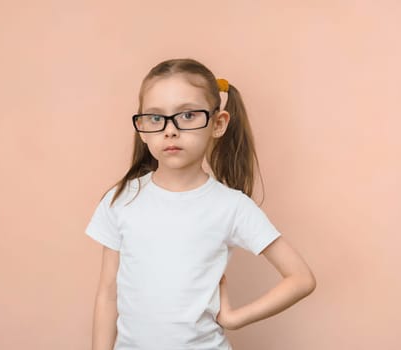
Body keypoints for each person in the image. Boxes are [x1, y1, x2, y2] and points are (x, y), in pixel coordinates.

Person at [85, 58, 316, 350]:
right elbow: (108, 293)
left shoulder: (232, 207)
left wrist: (234, 318)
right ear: (142, 129)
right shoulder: (121, 199)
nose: (170, 130)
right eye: (156, 118)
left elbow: (301, 278)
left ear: (218, 124)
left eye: (187, 115)